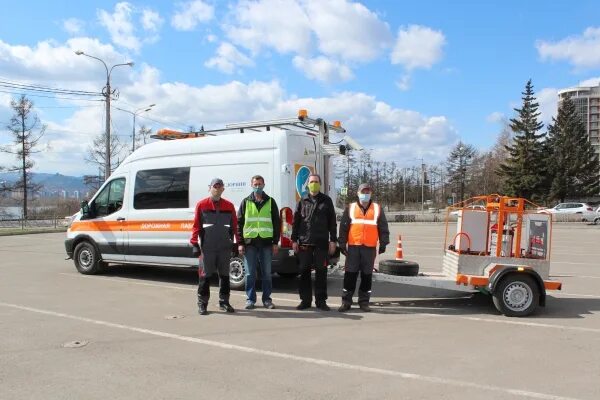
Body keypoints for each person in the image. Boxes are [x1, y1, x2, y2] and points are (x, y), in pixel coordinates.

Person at [337, 182, 390, 312]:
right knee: (350, 275)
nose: (365, 194)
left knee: (367, 276)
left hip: (369, 248)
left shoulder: (377, 209)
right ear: (358, 193)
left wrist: (383, 242)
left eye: (367, 192)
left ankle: (364, 302)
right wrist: (342, 244)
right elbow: (343, 228)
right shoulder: (351, 208)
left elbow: (383, 227)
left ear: (370, 193)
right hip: (354, 248)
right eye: (363, 192)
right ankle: (346, 301)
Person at [190, 178, 238, 315]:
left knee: (225, 276)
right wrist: (194, 244)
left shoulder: (229, 206)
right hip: (208, 248)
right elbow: (196, 226)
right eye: (214, 186)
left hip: (224, 247)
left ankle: (224, 302)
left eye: (219, 186)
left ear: (223, 189)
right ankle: (202, 304)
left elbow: (234, 227)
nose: (217, 189)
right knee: (205, 276)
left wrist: (236, 243)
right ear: (209, 188)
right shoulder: (202, 205)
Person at [291, 173, 337, 311]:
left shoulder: (326, 201)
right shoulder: (302, 200)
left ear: (320, 184)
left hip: (321, 244)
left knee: (321, 272)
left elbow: (332, 223)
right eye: (311, 182)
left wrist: (333, 240)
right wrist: (294, 240)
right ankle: (305, 301)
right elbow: (295, 222)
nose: (313, 184)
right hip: (305, 243)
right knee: (304, 271)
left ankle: (321, 301)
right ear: (308, 184)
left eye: (316, 182)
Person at [237, 175, 281, 310]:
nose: (258, 187)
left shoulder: (271, 202)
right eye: (255, 184)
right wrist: (240, 242)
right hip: (250, 244)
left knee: (267, 273)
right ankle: (250, 300)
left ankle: (267, 299)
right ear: (251, 185)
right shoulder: (245, 202)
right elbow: (239, 223)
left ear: (264, 184)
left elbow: (276, 223)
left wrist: (275, 242)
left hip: (266, 243)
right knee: (250, 274)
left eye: (260, 184)